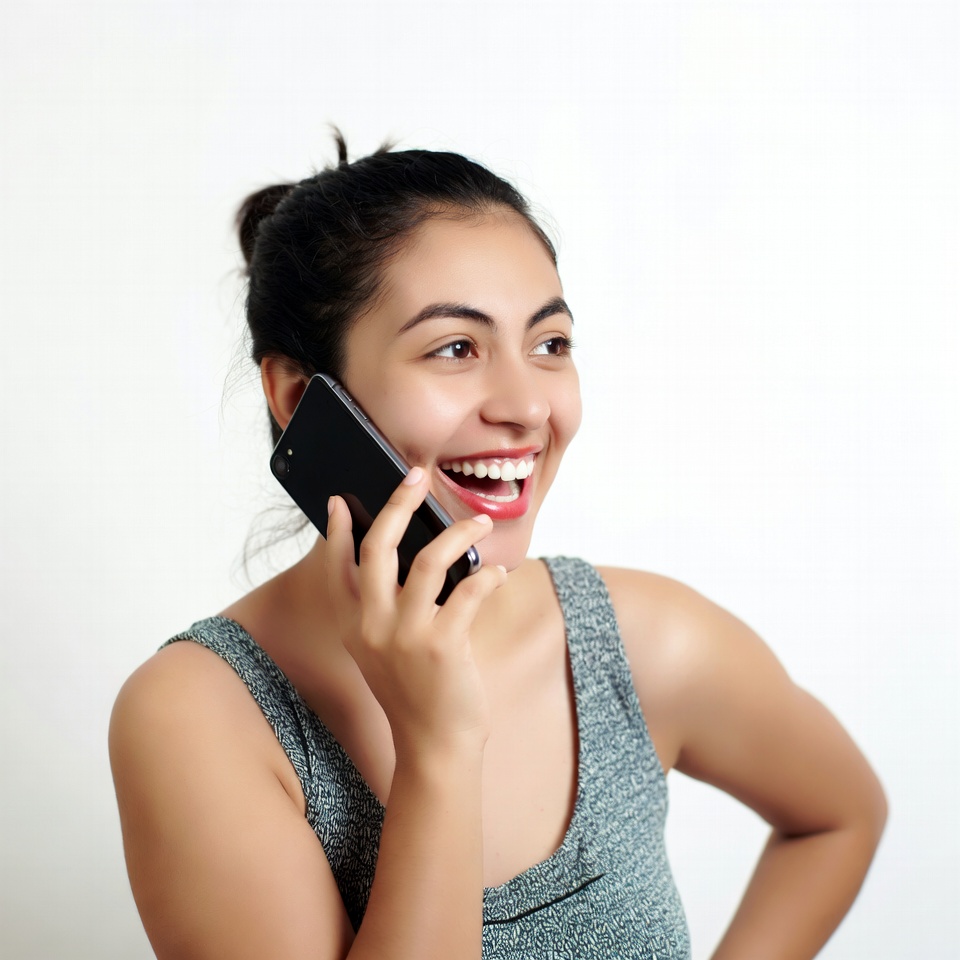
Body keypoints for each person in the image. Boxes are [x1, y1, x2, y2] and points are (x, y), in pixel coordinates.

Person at [109, 134, 887, 960]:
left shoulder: (639, 641)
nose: (526, 405)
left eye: (549, 344)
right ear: (303, 400)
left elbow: (840, 816)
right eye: (455, 348)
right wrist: (439, 747)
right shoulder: (198, 717)